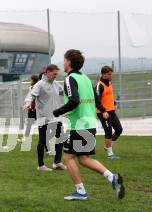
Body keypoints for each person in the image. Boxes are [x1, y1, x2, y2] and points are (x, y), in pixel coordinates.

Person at [53, 49, 125, 201]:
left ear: (69, 62)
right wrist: (104, 110)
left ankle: (80, 192)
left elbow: (74, 100)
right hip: (90, 123)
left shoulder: (70, 78)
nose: (63, 63)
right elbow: (97, 99)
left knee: (68, 158)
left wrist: (57, 112)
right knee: (84, 158)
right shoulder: (85, 78)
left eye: (65, 60)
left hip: (79, 126)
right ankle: (112, 177)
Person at [24, 64, 67, 172]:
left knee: (60, 138)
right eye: (54, 74)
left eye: (57, 74)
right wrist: (28, 103)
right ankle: (41, 165)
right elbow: (31, 95)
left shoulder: (56, 84)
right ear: (47, 72)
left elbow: (64, 92)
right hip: (43, 117)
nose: (56, 76)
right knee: (42, 141)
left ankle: (57, 163)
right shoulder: (40, 84)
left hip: (56, 117)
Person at [95, 66, 123, 159]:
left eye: (111, 74)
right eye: (109, 74)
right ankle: (110, 154)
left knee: (119, 129)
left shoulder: (110, 83)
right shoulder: (99, 85)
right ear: (103, 74)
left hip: (111, 111)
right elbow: (97, 100)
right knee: (108, 131)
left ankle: (107, 146)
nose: (111, 76)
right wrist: (103, 111)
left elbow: (109, 96)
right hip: (103, 112)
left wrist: (114, 103)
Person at [22, 74, 39, 141]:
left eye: (31, 79)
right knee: (29, 124)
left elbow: (32, 98)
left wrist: (27, 104)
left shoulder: (36, 87)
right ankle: (25, 138)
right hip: (32, 109)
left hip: (37, 109)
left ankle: (46, 140)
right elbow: (29, 97)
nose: (30, 81)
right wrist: (27, 104)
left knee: (42, 125)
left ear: (33, 80)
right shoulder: (31, 87)